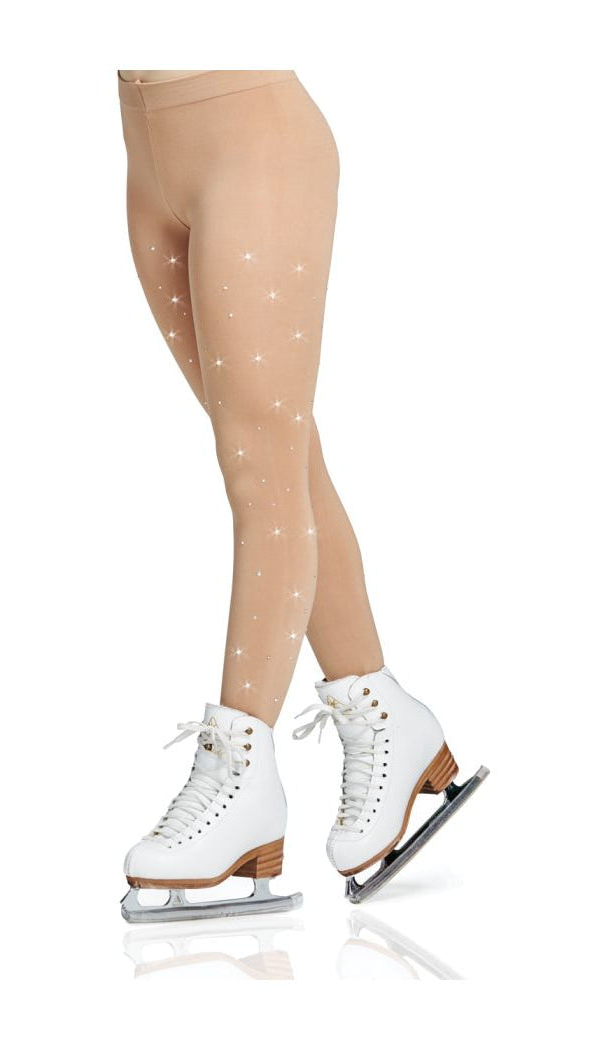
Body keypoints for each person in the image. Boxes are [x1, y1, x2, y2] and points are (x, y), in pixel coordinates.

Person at [116, 70, 485, 922]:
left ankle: (238, 776)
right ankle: (385, 714)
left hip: (254, 148)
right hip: (148, 157)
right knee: (277, 455)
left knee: (261, 464)